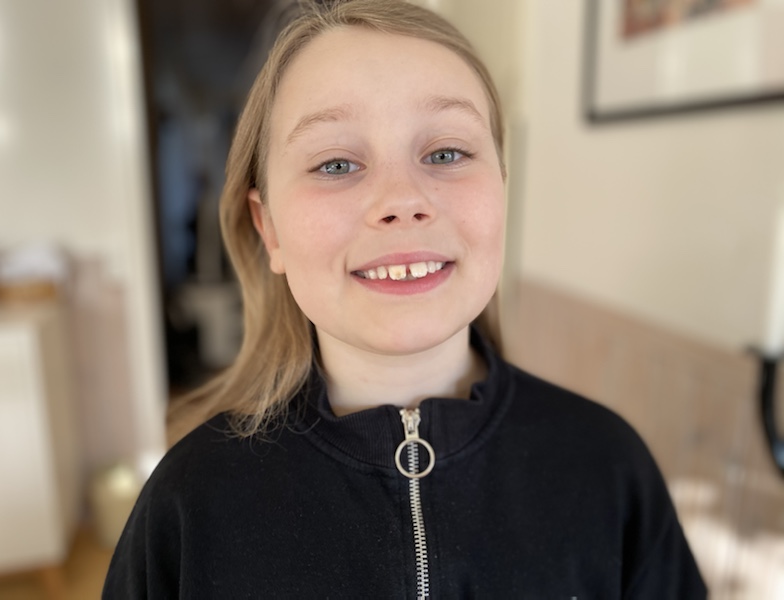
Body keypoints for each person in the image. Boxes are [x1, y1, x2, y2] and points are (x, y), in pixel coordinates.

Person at [103, 1, 707, 597]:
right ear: (270, 230)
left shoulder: (608, 467)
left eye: (446, 153)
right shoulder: (189, 506)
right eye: (336, 163)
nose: (401, 199)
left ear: (501, 188)